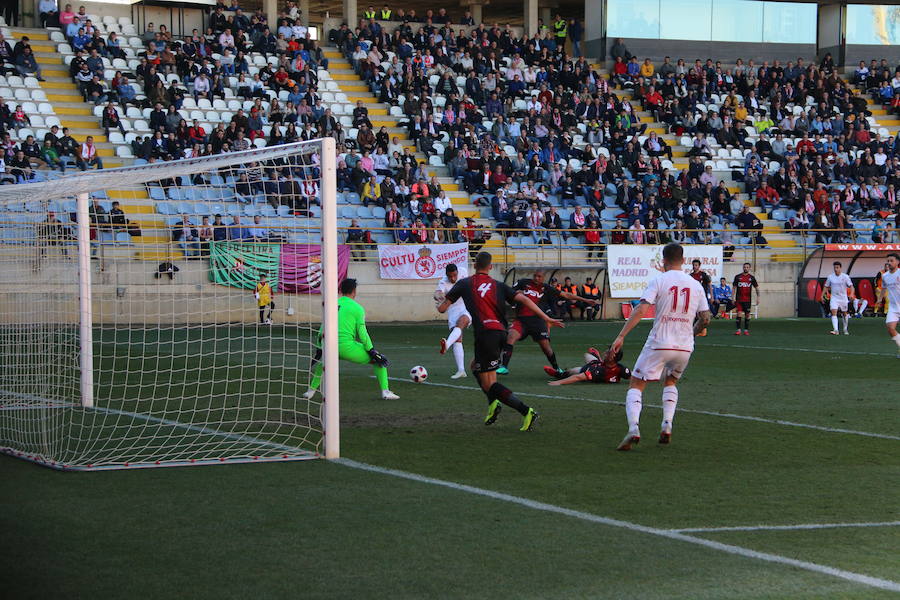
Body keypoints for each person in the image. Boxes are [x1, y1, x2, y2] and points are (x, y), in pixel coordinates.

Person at [437, 252, 563, 431]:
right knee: (478, 368)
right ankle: (493, 405)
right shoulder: (498, 285)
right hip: (502, 333)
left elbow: (442, 308)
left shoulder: (464, 283)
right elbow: (525, 299)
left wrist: (439, 300)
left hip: (486, 335)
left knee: (489, 383)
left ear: (474, 265)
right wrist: (546, 318)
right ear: (490, 267)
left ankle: (526, 411)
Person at [609, 243, 712, 450]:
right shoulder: (696, 285)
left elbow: (640, 310)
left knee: (637, 384)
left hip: (659, 342)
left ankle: (634, 428)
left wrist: (621, 336)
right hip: (684, 347)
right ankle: (667, 424)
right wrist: (691, 333)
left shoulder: (659, 280)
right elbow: (706, 318)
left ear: (663, 261)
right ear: (684, 261)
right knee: (671, 381)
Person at [303, 278, 399, 400]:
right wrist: (372, 351)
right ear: (354, 291)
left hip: (327, 345)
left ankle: (310, 391)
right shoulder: (357, 308)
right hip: (346, 347)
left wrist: (319, 348)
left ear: (341, 291)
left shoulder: (332, 305)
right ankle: (386, 392)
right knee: (379, 360)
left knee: (323, 364)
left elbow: (323, 327)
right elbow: (363, 333)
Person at [498, 269, 596, 376]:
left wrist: (585, 300)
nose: (536, 278)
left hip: (538, 321)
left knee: (546, 348)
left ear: (544, 278)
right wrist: (516, 293)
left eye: (539, 276)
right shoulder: (523, 283)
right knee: (511, 336)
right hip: (521, 320)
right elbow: (509, 292)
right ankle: (504, 367)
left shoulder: (546, 288)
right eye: (535, 276)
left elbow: (566, 295)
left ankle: (556, 368)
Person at [434, 263, 470, 380]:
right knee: (458, 339)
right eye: (450, 276)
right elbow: (439, 297)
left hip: (466, 306)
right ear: (446, 275)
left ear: (457, 272)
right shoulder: (443, 283)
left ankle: (447, 344)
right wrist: (438, 297)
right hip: (453, 309)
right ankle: (461, 370)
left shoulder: (463, 271)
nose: (453, 278)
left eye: (455, 275)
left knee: (462, 321)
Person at [546, 346, 631, 386]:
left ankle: (559, 374)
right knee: (586, 355)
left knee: (572, 371)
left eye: (607, 352)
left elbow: (578, 377)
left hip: (587, 369)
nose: (604, 353)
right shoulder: (621, 368)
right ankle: (598, 359)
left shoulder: (599, 371)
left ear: (612, 358)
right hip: (597, 364)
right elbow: (634, 376)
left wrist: (559, 382)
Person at [823, 261, 853, 336]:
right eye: (835, 268)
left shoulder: (845, 277)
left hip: (843, 298)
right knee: (833, 312)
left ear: (840, 268)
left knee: (844, 313)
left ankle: (845, 329)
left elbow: (851, 287)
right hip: (834, 298)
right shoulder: (830, 277)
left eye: (837, 268)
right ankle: (836, 330)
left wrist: (852, 294)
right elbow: (826, 286)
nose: (836, 269)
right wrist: (822, 295)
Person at [880, 253, 900, 355]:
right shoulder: (885, 276)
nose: (889, 263)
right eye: (888, 261)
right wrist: (879, 300)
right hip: (893, 307)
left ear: (897, 262)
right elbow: (883, 288)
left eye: (891, 261)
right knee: (890, 328)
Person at [732, 262, 759, 336]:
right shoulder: (737, 277)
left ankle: (746, 330)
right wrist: (732, 298)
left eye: (747, 267)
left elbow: (756, 287)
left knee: (747, 315)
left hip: (747, 300)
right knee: (739, 314)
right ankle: (738, 330)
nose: (746, 268)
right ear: (742, 268)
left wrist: (758, 297)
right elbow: (734, 288)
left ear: (749, 268)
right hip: (739, 300)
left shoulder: (751, 278)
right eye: (744, 267)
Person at [688, 259, 711, 335]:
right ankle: (695, 330)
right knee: (694, 314)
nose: (695, 267)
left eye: (696, 265)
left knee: (703, 314)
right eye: (694, 265)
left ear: (699, 266)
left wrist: (712, 296)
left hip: (702, 297)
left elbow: (709, 285)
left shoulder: (703, 275)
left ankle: (703, 330)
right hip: (693, 297)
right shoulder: (690, 276)